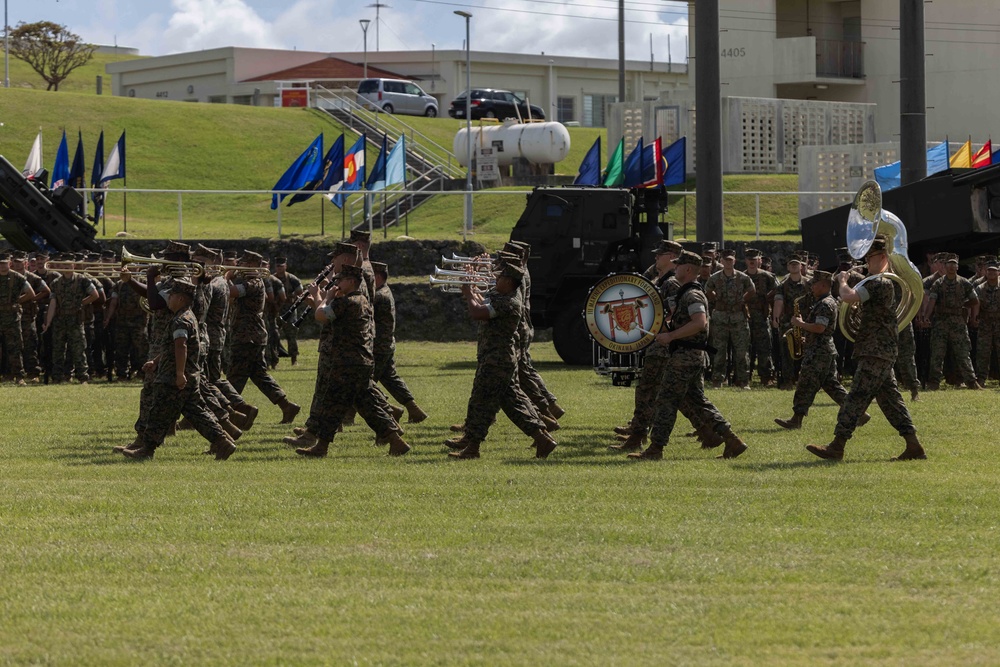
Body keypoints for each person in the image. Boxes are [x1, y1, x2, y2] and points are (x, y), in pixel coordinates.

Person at [806, 236, 925, 462]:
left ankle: (837, 446)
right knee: (890, 401)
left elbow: (849, 297)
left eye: (870, 258)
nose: (867, 262)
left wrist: (842, 280)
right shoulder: (878, 281)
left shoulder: (880, 282)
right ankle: (914, 446)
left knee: (856, 397)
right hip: (879, 349)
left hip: (876, 350)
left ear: (882, 257)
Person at [627, 250, 749, 461]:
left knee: (666, 400)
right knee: (698, 402)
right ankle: (732, 440)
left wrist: (672, 335)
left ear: (689, 269)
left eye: (679, 265)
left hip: (685, 358)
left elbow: (700, 322)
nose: (675, 268)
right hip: (687, 357)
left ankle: (655, 449)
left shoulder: (692, 294)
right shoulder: (686, 292)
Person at [289, 264, 411, 457]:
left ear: (351, 281)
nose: (336, 283)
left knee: (332, 403)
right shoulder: (361, 300)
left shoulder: (346, 302)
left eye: (340, 280)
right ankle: (396, 441)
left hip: (346, 362)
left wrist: (325, 298)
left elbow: (321, 315)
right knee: (366, 405)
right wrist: (325, 300)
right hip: (359, 361)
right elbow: (330, 315)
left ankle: (321, 447)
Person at [448, 262, 558, 460]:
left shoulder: (508, 302)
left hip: (497, 360)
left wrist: (467, 292)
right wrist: (472, 290)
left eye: (499, 278)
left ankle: (472, 446)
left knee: (483, 402)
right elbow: (483, 303)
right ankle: (543, 438)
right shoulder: (506, 296)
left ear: (508, 282)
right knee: (512, 402)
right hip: (497, 358)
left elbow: (477, 312)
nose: (495, 280)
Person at [121, 279, 236, 461]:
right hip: (186, 376)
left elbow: (181, 347)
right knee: (198, 414)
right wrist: (156, 361)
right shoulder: (187, 317)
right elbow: (173, 347)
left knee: (158, 412)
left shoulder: (181, 321)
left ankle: (146, 450)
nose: (168, 299)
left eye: (172, 296)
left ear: (181, 298)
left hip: (174, 378)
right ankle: (223, 442)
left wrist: (179, 374)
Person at [774, 271, 870, 429]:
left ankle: (796, 419)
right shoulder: (825, 302)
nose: (811, 286)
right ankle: (859, 413)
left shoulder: (825, 304)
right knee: (832, 386)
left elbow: (820, 327)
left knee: (805, 384)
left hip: (819, 353)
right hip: (823, 349)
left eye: (814, 283)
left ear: (824, 285)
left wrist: (800, 324)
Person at [227, 250, 300, 422]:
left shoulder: (254, 282)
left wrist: (226, 276)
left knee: (234, 378)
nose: (239, 266)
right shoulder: (250, 281)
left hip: (248, 337)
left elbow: (231, 292)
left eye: (243, 263)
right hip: (250, 336)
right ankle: (287, 406)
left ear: (252, 266)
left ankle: (230, 413)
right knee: (260, 376)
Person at [371, 261, 428, 422]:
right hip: (385, 344)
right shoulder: (383, 292)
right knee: (391, 380)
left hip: (378, 346)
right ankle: (414, 410)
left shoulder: (379, 296)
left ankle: (391, 410)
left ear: (377, 276)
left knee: (362, 383)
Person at [924, 254, 980, 390]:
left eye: (954, 265)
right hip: (940, 321)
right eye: (948, 265)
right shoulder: (938, 283)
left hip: (957, 321)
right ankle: (934, 382)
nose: (951, 268)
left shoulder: (964, 283)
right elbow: (932, 301)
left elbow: (975, 300)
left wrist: (962, 305)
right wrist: (927, 316)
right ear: (946, 267)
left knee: (963, 352)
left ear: (957, 268)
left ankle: (971, 382)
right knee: (937, 353)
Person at [44, 253, 98, 384]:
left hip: (75, 320)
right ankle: (57, 377)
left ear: (73, 265)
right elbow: (53, 303)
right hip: (60, 320)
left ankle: (82, 377)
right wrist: (48, 322)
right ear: (61, 267)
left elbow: (95, 295)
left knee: (79, 349)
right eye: (64, 265)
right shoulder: (56, 283)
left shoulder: (82, 280)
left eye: (69, 265)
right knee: (58, 349)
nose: (67, 267)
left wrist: (81, 304)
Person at [704, 247, 755, 388]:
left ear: (734, 261)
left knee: (741, 351)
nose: (728, 263)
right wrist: (715, 299)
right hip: (720, 317)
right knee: (719, 351)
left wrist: (742, 300)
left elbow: (752, 290)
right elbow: (707, 289)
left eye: (730, 260)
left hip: (738, 317)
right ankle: (718, 380)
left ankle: (743, 381)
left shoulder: (742, 277)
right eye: (725, 260)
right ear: (721, 261)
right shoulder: (715, 277)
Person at [772, 254, 810, 389]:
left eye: (796, 264)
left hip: (806, 322)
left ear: (801, 266)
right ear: (788, 267)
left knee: (807, 351)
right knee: (787, 351)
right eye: (791, 264)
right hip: (788, 322)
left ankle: (804, 380)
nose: (794, 266)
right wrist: (775, 319)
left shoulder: (809, 284)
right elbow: (778, 302)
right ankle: (787, 380)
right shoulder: (782, 285)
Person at [10, 251, 48, 383]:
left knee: (30, 344)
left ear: (25, 263)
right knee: (13, 345)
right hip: (10, 316)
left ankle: (33, 373)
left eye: (20, 262)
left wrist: (32, 299)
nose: (18, 264)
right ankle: (13, 373)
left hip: (27, 316)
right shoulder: (8, 277)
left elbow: (46, 290)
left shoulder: (32, 278)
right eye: (15, 262)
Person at [0, 252, 37, 385]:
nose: (2, 266)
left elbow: (31, 293)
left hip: (12, 317)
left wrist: (15, 302)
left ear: (9, 264)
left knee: (15, 347)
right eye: (0, 264)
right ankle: (7, 374)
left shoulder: (17, 277)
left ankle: (19, 375)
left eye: (4, 263)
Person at [744, 248, 777, 386]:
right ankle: (746, 375)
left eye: (754, 260)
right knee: (746, 347)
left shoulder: (767, 276)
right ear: (746, 261)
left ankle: (766, 376)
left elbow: (777, 290)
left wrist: (768, 300)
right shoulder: (741, 276)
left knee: (764, 347)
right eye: (749, 260)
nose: (752, 262)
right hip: (745, 316)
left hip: (762, 317)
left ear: (760, 261)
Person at [973, 260, 1000, 387]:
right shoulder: (980, 288)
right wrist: (975, 318)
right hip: (985, 323)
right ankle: (981, 378)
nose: (992, 273)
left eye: (994, 271)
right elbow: (977, 304)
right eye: (989, 271)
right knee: (983, 351)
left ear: (998, 272)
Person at [274, 256, 303, 366]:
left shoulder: (292, 279)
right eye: (277, 266)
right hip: (276, 310)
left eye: (281, 266)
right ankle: (274, 359)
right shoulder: (272, 279)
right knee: (274, 335)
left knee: (291, 335)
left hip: (289, 310)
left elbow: (300, 291)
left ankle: (294, 359)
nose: (279, 268)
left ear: (285, 266)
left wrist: (292, 297)